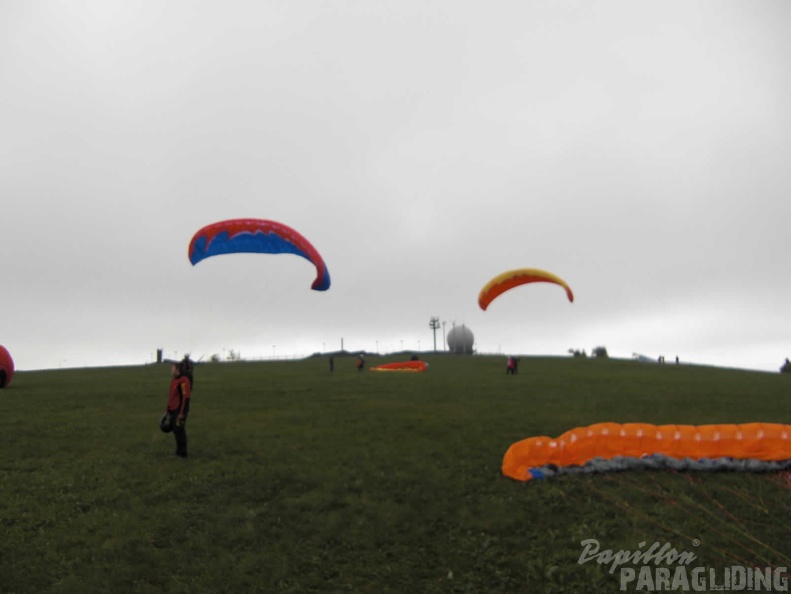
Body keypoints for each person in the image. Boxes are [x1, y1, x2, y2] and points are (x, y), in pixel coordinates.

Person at [163, 359, 192, 458]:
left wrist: (181, 413)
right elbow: (171, 396)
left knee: (179, 430)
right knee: (175, 430)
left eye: (173, 368)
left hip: (180, 408)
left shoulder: (184, 381)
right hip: (173, 408)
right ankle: (178, 452)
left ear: (177, 369)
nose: (171, 370)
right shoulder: (174, 380)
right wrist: (167, 409)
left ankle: (182, 453)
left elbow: (186, 397)